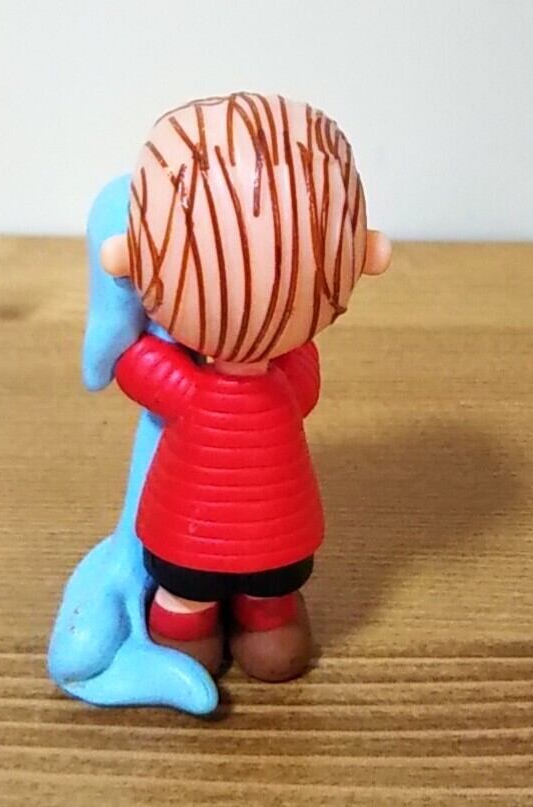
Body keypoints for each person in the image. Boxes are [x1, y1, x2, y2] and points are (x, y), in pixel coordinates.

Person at [101, 92, 391, 681]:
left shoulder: (186, 388)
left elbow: (134, 367)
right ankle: (266, 625)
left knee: (186, 601)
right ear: (368, 253)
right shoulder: (288, 383)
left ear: (128, 257)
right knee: (271, 607)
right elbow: (304, 384)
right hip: (278, 544)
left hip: (186, 541)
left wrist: (129, 321)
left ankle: (191, 628)